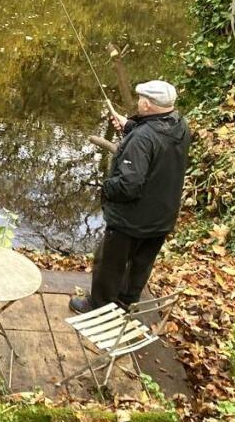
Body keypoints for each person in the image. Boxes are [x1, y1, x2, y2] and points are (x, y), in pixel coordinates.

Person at [71, 80, 191, 314]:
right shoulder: (180, 125)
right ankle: (126, 302)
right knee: (141, 264)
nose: (138, 102)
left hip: (131, 220)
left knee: (109, 264)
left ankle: (98, 305)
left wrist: (106, 188)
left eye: (141, 99)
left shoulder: (142, 138)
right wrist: (129, 126)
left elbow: (128, 185)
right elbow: (158, 140)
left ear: (147, 104)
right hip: (162, 217)